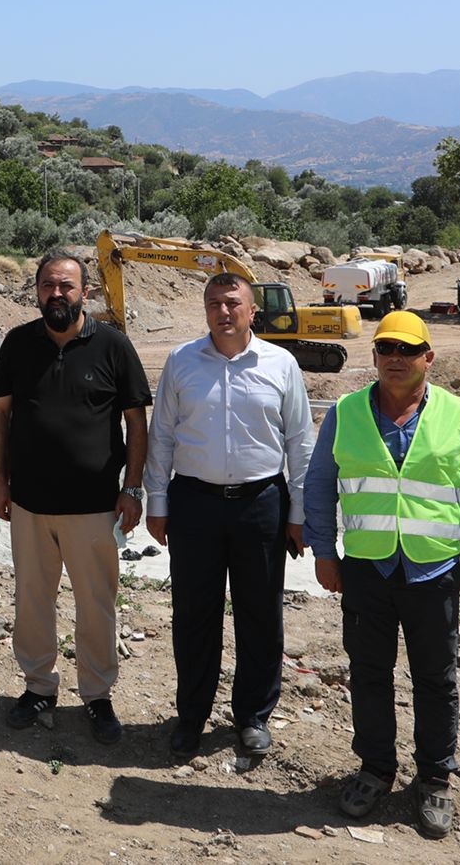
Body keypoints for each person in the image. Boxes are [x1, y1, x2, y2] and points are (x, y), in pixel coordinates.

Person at [305, 311, 460, 840]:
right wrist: (324, 552)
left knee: (436, 679)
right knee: (369, 673)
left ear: (428, 358)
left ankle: (435, 777)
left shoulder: (458, 415)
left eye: (407, 349)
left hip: (433, 570)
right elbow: (319, 485)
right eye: (386, 348)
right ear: (374, 356)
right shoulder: (345, 413)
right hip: (366, 568)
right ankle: (375, 769)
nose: (395, 358)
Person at [145, 273, 313, 757]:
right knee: (194, 614)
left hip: (261, 503)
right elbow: (162, 435)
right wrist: (158, 501)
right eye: (214, 303)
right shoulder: (181, 361)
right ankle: (191, 716)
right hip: (194, 502)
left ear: (252, 310)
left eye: (233, 303)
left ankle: (253, 715)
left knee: (260, 613)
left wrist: (299, 511)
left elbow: (300, 441)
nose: (223, 311)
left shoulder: (281, 364)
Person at [0, 249, 150, 745]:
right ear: (36, 291)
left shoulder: (113, 346)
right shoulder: (18, 343)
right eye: (48, 286)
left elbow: (136, 423)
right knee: (32, 601)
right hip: (30, 504)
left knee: (96, 604)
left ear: (86, 292)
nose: (56, 294)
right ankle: (38, 687)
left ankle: (97, 695)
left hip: (95, 506)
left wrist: (132, 488)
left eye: (66, 286)